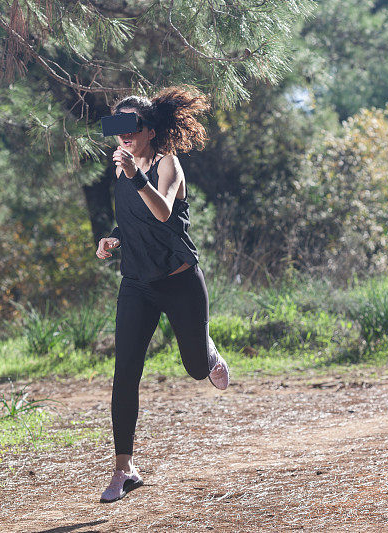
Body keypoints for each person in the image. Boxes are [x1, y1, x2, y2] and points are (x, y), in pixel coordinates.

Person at [94, 85, 230, 503]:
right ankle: (123, 468)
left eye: (131, 128)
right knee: (125, 372)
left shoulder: (167, 164)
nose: (124, 137)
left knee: (193, 368)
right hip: (137, 283)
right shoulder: (119, 167)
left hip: (179, 279)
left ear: (149, 130)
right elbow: (134, 222)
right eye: (118, 129)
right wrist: (112, 239)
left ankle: (206, 351)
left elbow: (163, 212)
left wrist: (137, 177)